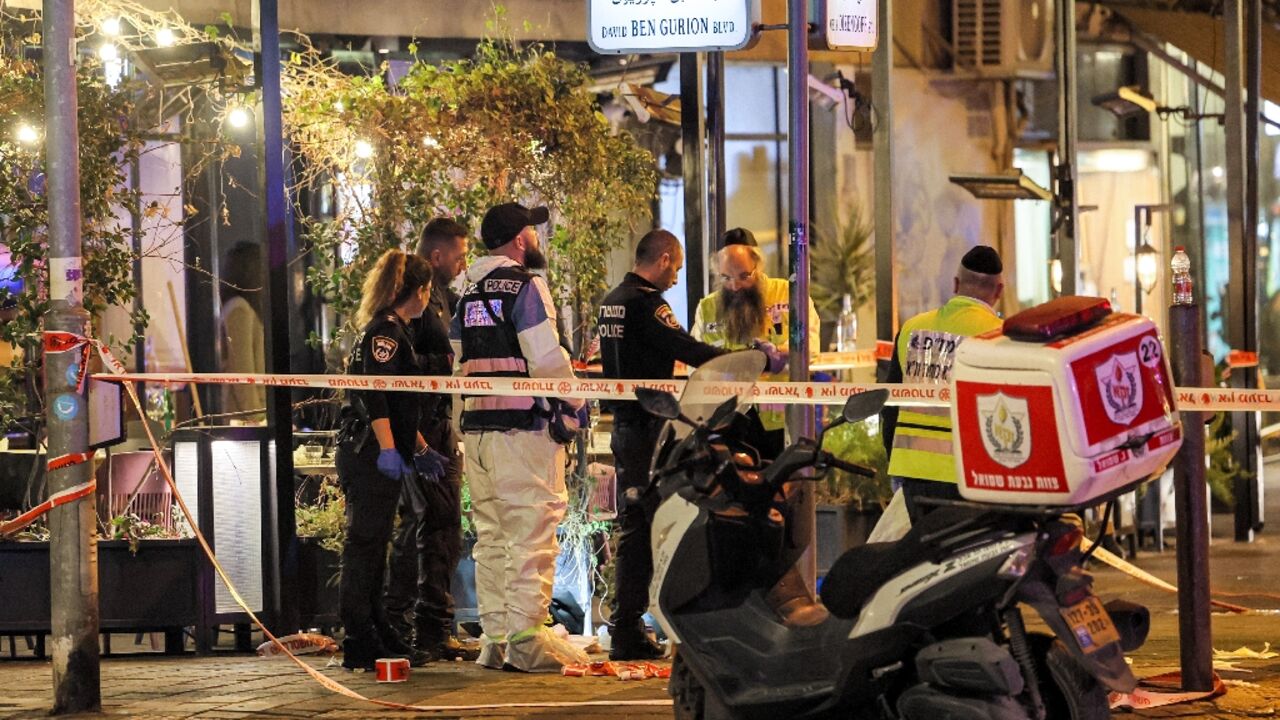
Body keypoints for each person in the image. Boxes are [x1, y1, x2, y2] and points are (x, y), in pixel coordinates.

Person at [448, 202, 590, 673]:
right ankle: (528, 643)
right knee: (531, 535)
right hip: (522, 433)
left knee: (491, 538)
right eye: (531, 230)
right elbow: (546, 359)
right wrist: (575, 402)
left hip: (479, 432)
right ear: (519, 239)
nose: (535, 238)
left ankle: (495, 640)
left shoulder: (468, 292)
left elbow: (456, 361)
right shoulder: (526, 286)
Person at [597, 229, 741, 660]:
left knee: (634, 524)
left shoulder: (611, 301)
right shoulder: (646, 303)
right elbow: (684, 347)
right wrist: (739, 362)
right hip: (648, 429)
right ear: (661, 260)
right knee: (652, 527)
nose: (676, 277)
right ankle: (636, 627)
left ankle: (627, 627)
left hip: (624, 427)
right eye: (675, 267)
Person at [335, 249, 442, 671]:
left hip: (376, 448)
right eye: (427, 291)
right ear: (418, 291)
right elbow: (376, 394)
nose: (428, 300)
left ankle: (377, 628)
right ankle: (359, 636)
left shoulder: (392, 330)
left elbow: (400, 404)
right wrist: (386, 448)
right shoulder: (386, 332)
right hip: (368, 452)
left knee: (375, 545)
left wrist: (417, 447)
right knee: (364, 546)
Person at [382, 218, 477, 661]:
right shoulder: (415, 300)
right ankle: (407, 624)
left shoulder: (444, 299)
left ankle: (430, 626)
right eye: (459, 256)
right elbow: (402, 371)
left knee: (441, 525)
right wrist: (417, 441)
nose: (463, 265)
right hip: (419, 429)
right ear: (437, 256)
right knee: (429, 524)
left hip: (436, 425)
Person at [882, 245, 1004, 522]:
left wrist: (896, 462)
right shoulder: (1002, 337)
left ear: (956, 284)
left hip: (915, 474)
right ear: (998, 291)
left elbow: (890, 406)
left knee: (924, 548)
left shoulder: (912, 329)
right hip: (976, 475)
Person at [691, 243, 820, 459]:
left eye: (744, 276)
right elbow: (696, 365)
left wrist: (778, 354)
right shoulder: (707, 309)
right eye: (726, 277)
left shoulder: (789, 295)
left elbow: (811, 347)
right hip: (728, 420)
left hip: (782, 421)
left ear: (758, 267)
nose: (735, 286)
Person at [219, 242, 266, 421]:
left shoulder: (241, 306)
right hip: (245, 419)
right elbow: (242, 370)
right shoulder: (239, 308)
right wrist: (257, 417)